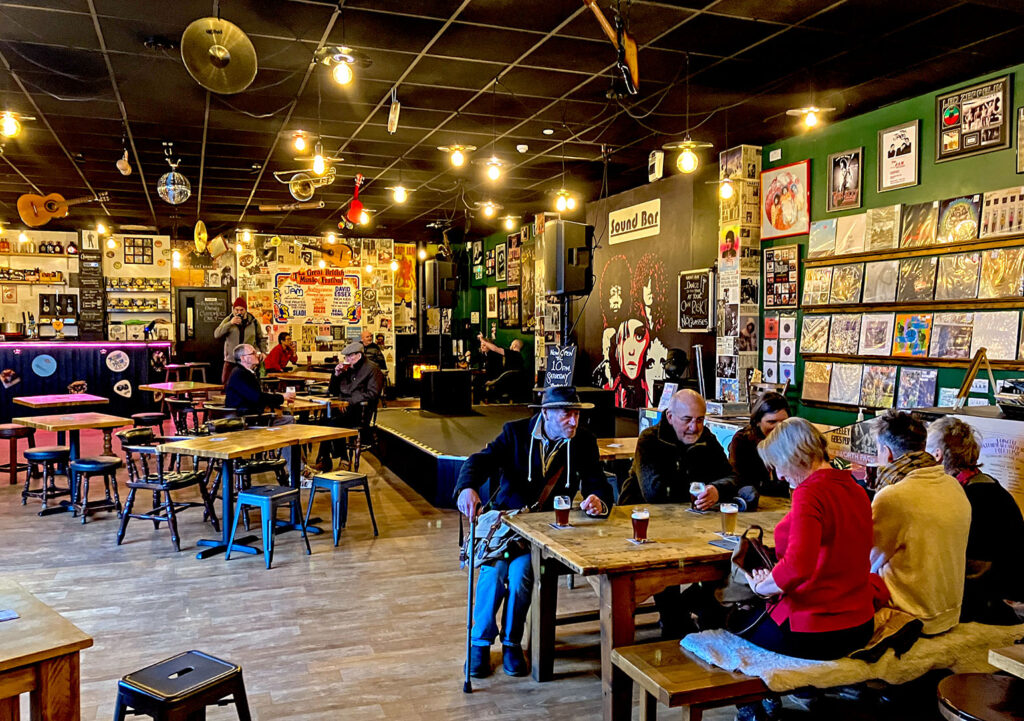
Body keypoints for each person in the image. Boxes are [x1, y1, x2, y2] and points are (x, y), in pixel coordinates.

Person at [454, 386, 613, 678]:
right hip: (509, 527)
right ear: (546, 413)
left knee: (522, 574)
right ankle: (479, 643)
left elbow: (598, 483)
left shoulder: (583, 442)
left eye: (577, 414)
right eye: (567, 414)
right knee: (494, 572)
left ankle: (512, 642)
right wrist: (467, 487)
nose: (574, 422)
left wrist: (597, 500)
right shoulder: (515, 433)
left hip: (547, 533)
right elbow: (480, 461)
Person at [731, 418, 880, 721]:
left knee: (732, 619)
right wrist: (776, 579)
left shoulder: (809, 493)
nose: (780, 475)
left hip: (820, 630)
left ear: (795, 456)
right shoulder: (854, 486)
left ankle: (755, 704)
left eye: (779, 465)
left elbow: (799, 567)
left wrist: (764, 586)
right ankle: (791, 695)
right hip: (859, 624)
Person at [618, 389, 739, 638]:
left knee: (727, 557)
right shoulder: (650, 440)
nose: (695, 427)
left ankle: (699, 613)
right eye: (687, 420)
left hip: (692, 523)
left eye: (700, 419)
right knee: (666, 563)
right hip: (643, 524)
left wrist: (717, 490)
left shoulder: (707, 438)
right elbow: (655, 492)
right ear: (670, 416)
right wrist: (696, 488)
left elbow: (733, 477)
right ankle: (674, 621)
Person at [871, 411, 970, 635]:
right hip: (950, 612)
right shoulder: (954, 486)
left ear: (886, 454)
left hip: (912, 615)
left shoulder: (893, 496)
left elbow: (869, 562)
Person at [926, 416, 1024, 624]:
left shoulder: (977, 496)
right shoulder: (982, 483)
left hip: (992, 600)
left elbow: (976, 567)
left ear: (937, 455)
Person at [317, 342, 384, 469]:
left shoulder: (372, 369)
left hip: (361, 411)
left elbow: (372, 393)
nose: (346, 360)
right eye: (345, 357)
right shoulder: (347, 369)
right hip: (344, 408)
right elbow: (333, 391)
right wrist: (336, 374)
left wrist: (349, 401)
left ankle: (343, 459)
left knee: (333, 423)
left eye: (349, 357)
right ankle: (326, 459)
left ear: (358, 355)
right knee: (324, 419)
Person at [728, 392, 792, 507]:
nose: (779, 427)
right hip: (757, 506)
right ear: (757, 422)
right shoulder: (743, 441)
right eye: (771, 422)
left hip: (786, 504)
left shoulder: (793, 439)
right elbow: (739, 481)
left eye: (784, 422)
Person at [224, 344, 291, 418]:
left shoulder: (241, 371)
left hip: (246, 416)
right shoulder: (241, 374)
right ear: (243, 358)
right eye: (253, 353)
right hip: (246, 420)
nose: (258, 355)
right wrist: (282, 397)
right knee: (289, 419)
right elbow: (258, 398)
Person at [214, 296, 266, 385]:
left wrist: (263, 351)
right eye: (236, 310)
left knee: (248, 384)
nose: (239, 312)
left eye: (241, 310)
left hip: (248, 360)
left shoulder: (254, 322)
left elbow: (260, 338)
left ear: (245, 310)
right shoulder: (228, 320)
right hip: (231, 359)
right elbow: (217, 334)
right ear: (233, 310)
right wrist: (230, 323)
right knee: (226, 383)